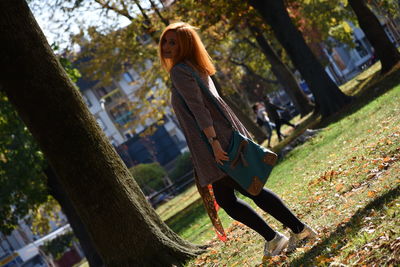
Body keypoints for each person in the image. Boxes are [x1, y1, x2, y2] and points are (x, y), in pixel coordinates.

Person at [158, 22, 317, 257]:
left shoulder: (180, 71)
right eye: (165, 41)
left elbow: (199, 109)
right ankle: (275, 238)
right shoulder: (196, 67)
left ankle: (299, 230)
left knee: (253, 188)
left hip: (214, 142)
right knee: (227, 198)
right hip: (220, 137)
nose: (167, 46)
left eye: (174, 42)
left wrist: (213, 143)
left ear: (186, 45)